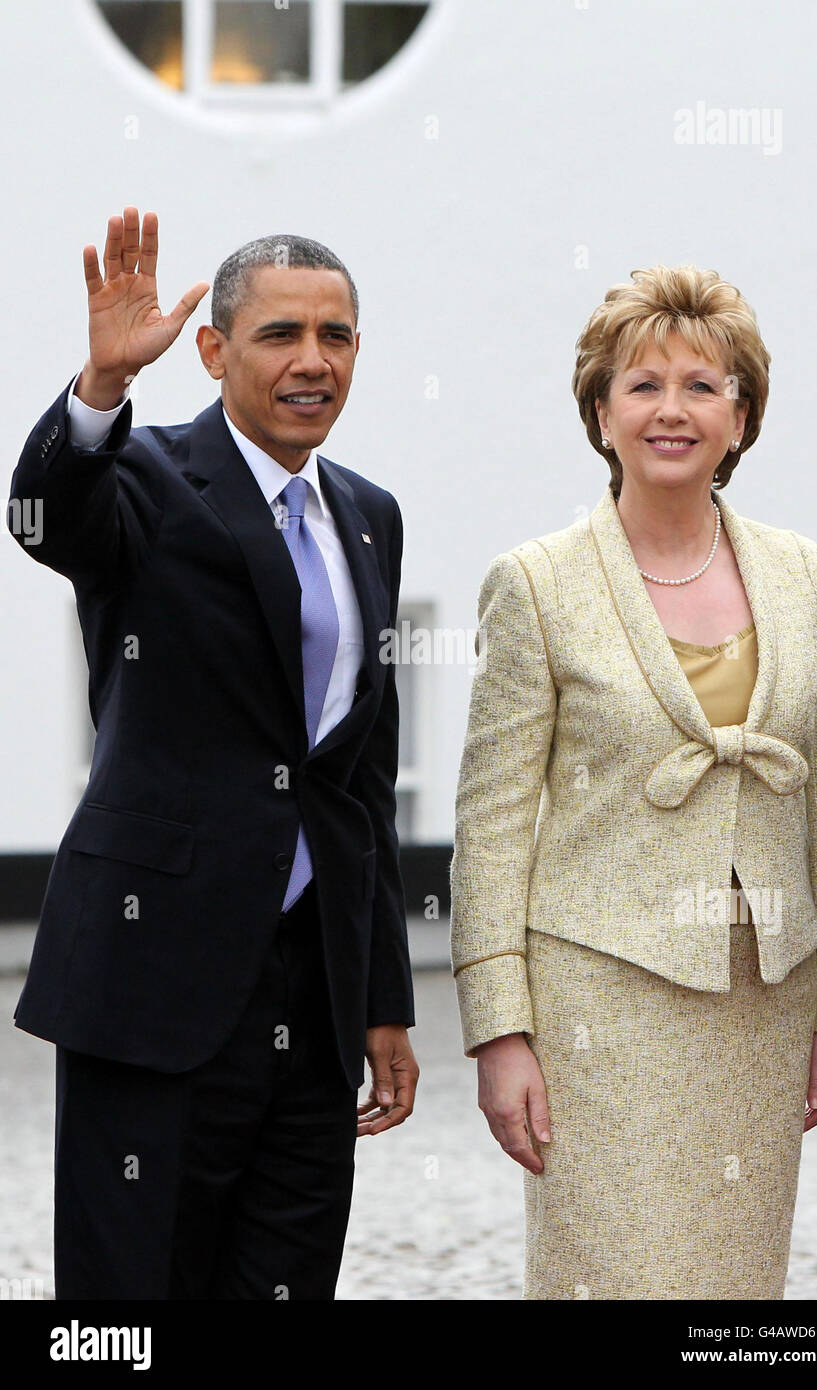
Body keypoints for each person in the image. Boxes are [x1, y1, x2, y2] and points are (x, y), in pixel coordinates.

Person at [6, 206, 419, 1300]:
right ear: (213, 349)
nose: (310, 362)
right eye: (280, 334)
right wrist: (98, 392)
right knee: (129, 1291)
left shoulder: (369, 516)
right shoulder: (140, 476)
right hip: (155, 975)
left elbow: (357, 780)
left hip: (311, 981)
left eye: (334, 338)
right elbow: (44, 517)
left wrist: (382, 998)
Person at [450, 264, 817, 1301]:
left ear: (740, 416)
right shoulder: (535, 581)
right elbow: (490, 824)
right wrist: (499, 1030)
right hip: (598, 1004)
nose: (670, 410)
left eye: (700, 385)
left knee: (733, 1292)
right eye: (641, 385)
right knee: (611, 1278)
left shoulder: (804, 576)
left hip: (758, 1002)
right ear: (599, 412)